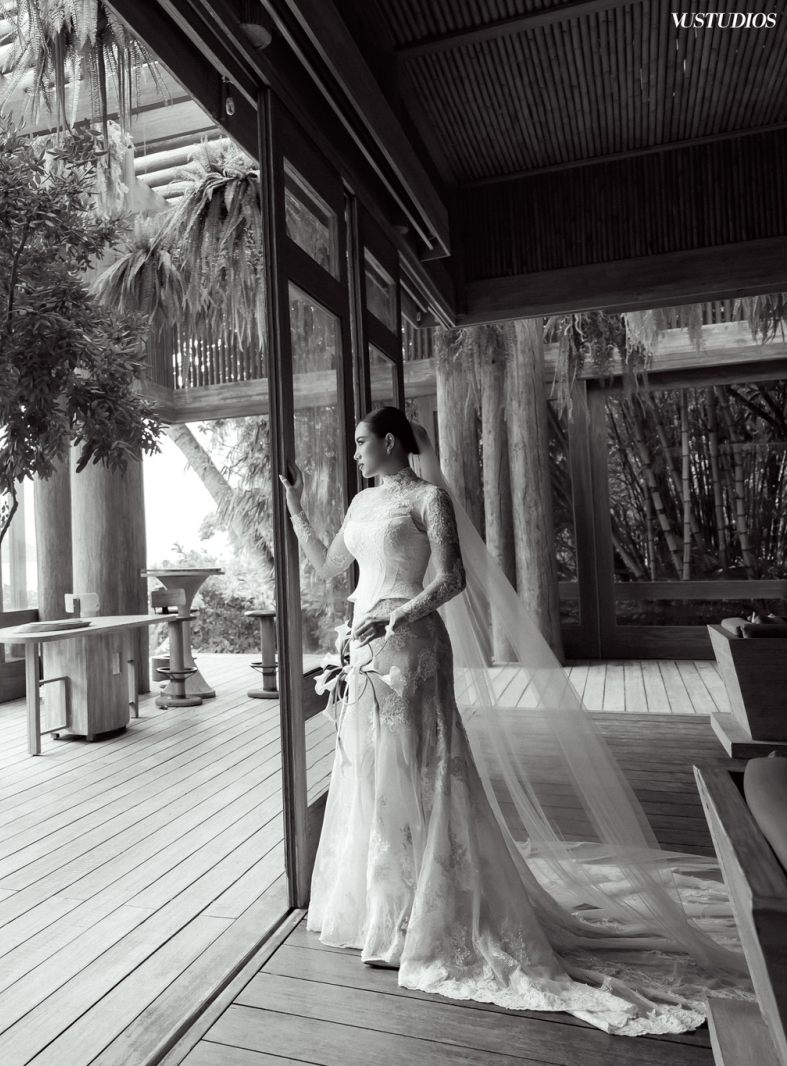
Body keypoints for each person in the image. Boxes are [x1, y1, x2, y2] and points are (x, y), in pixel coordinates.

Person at [279, 405, 744, 1036]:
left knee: (418, 769)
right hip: (363, 649)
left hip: (410, 644)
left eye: (361, 442)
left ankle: (424, 914)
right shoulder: (362, 503)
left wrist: (398, 614)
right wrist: (295, 508)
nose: (355, 452)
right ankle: (381, 911)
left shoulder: (428, 498)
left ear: (390, 441)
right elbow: (329, 569)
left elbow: (452, 579)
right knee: (370, 772)